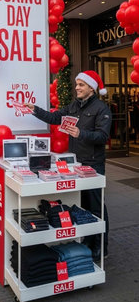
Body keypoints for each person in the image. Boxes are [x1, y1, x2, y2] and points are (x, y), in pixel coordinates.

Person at [25, 70, 112, 261]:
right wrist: (35, 109)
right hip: (76, 163)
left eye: (81, 84)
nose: (77, 87)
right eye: (77, 84)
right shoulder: (74, 106)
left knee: (96, 207)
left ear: (91, 87)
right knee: (84, 207)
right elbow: (56, 118)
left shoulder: (101, 109)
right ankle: (88, 242)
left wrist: (81, 133)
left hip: (93, 164)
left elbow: (103, 137)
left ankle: (101, 246)